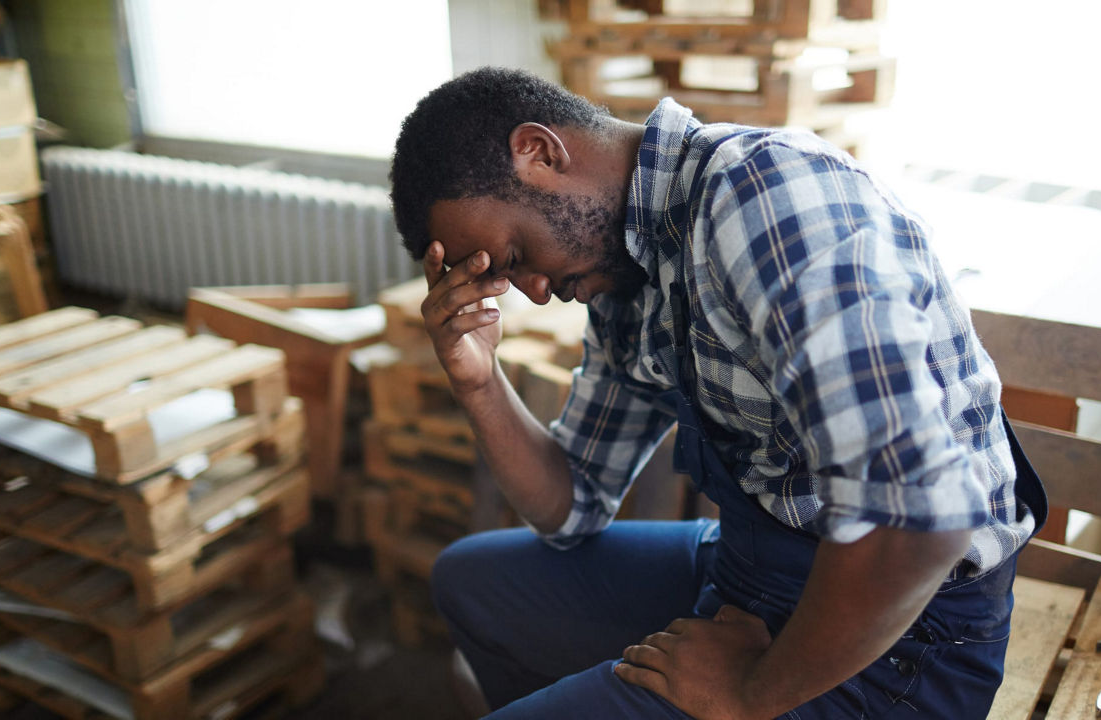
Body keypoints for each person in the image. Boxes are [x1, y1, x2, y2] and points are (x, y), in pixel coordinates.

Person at [387, 66, 1046, 719]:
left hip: (904, 636)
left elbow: (920, 518)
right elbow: (573, 504)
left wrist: (748, 692)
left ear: (540, 153)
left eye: (516, 257)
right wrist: (478, 380)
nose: (533, 291)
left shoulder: (766, 198)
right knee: (471, 580)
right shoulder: (627, 269)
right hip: (755, 564)